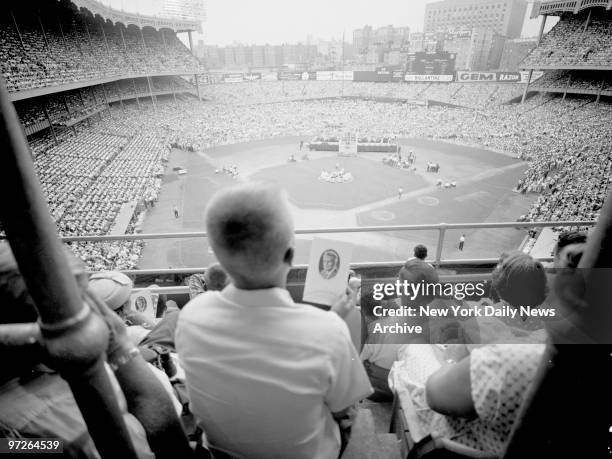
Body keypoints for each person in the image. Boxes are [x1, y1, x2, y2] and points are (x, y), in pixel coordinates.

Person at [176, 183, 372, 458]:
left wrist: (330, 321)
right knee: (357, 415)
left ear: (218, 258)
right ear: (290, 254)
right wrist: (332, 323)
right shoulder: (328, 332)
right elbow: (344, 408)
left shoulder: (191, 317)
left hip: (219, 452)